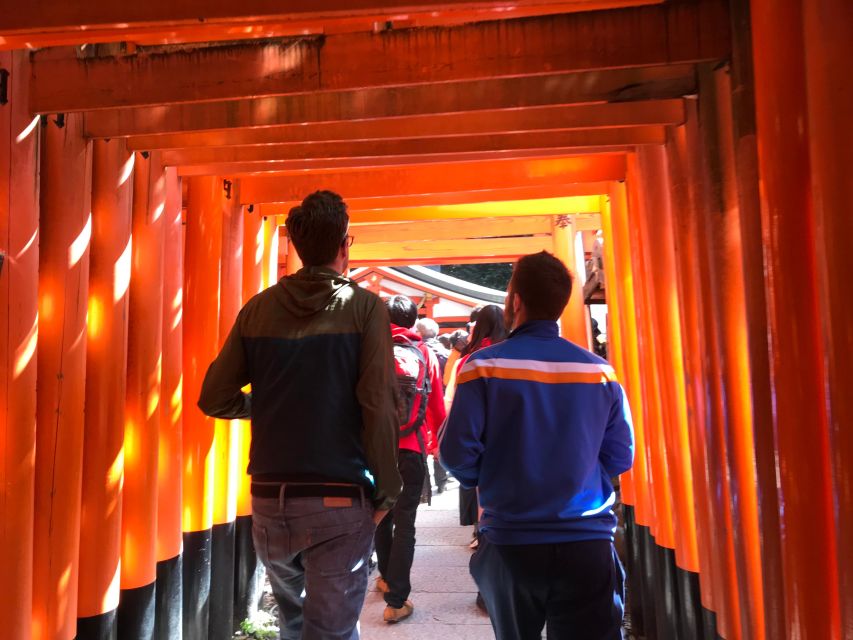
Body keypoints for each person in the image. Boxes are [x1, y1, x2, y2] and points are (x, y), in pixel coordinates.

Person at [198, 190, 402, 640]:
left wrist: (267, 405)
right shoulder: (365, 309)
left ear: (294, 243)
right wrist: (388, 491)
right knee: (331, 631)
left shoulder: (258, 308)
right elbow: (377, 405)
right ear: (345, 245)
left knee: (294, 625)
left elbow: (214, 397)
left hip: (271, 501)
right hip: (338, 496)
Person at [439, 251, 634, 640]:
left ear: (515, 301)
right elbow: (619, 455)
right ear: (561, 304)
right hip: (586, 540)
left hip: (512, 539)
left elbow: (456, 454)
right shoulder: (600, 372)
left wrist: (494, 477)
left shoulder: (483, 367)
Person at [375, 296, 447, 623]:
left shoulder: (370, 351)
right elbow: (437, 410)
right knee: (405, 522)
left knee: (380, 514)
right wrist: (437, 447)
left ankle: (385, 576)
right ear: (413, 321)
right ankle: (397, 600)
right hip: (412, 449)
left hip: (375, 450)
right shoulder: (425, 353)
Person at [443, 304, 507, 540]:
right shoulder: (517, 357)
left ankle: (483, 533)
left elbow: (450, 399)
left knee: (483, 487)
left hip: (478, 437)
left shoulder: (469, 360)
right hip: (512, 436)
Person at [414, 317, 451, 493]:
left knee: (420, 443)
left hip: (417, 405)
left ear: (419, 332)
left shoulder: (417, 351)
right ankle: (441, 480)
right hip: (441, 402)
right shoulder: (446, 353)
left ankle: (422, 484)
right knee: (438, 440)